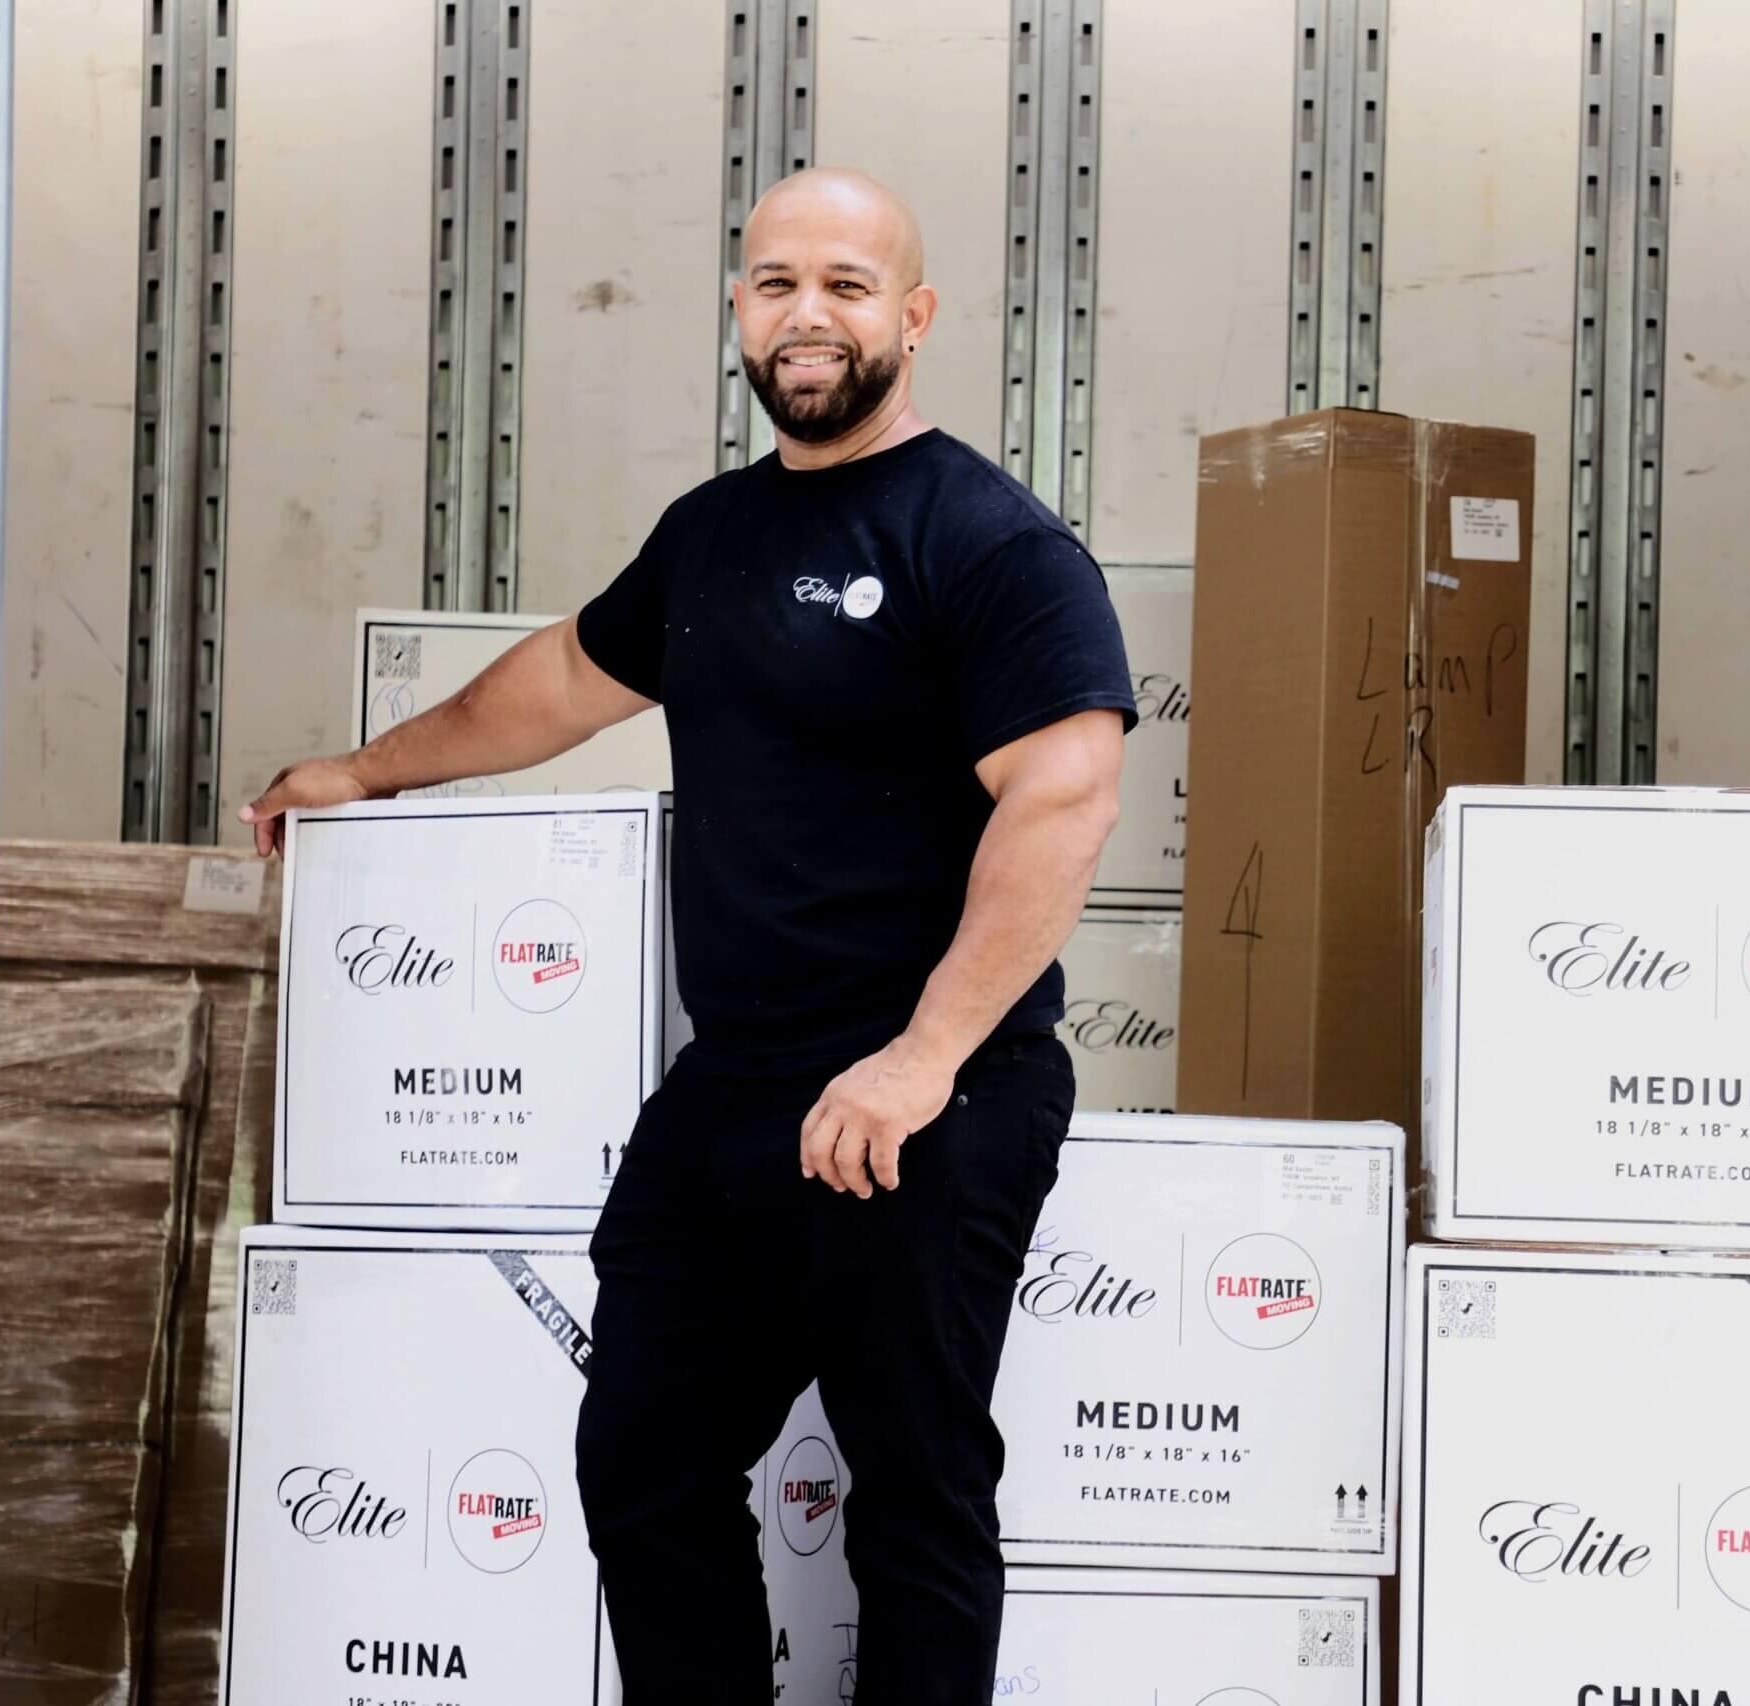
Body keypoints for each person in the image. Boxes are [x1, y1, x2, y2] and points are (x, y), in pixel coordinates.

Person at [239, 166, 1136, 1704]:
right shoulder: (710, 534)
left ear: (913, 320)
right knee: (644, 1453)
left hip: (930, 1097)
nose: (808, 313)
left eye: (849, 284)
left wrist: (922, 1058)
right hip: (736, 1090)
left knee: (915, 1499)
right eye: (778, 280)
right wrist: (366, 767)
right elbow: (560, 680)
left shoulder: (987, 541)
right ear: (740, 308)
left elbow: (1065, 790)